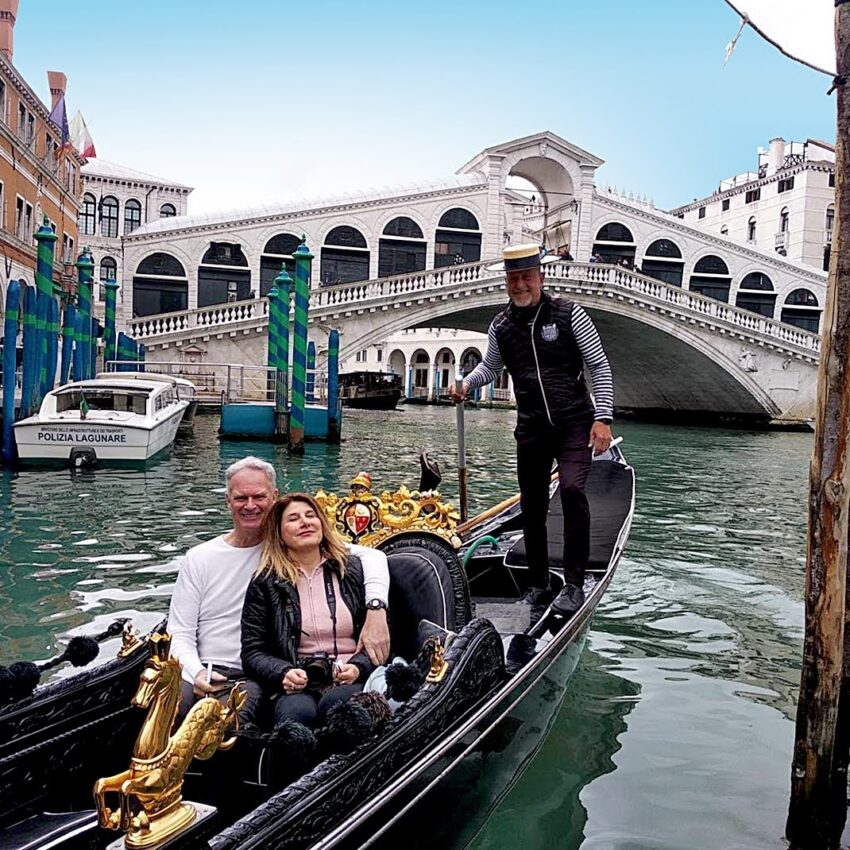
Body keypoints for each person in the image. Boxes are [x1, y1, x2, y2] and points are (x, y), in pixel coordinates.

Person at [450, 243, 614, 621]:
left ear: (541, 277)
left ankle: (572, 584)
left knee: (572, 490)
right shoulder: (501, 326)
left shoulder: (570, 315)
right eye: (512, 279)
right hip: (532, 427)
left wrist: (602, 418)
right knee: (533, 504)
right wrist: (467, 384)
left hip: (574, 421)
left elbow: (599, 366)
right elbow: (490, 369)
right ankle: (539, 583)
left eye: (526, 277)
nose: (519, 284)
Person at [167, 457, 391, 719]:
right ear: (228, 500)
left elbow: (374, 557)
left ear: (274, 497)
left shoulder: (295, 544)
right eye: (241, 498)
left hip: (260, 673)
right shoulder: (199, 557)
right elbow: (179, 633)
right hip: (208, 667)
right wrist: (197, 671)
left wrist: (376, 610)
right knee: (168, 714)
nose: (250, 506)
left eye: (259, 497)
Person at [240, 493, 375, 728]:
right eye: (293, 518)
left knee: (336, 706)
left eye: (310, 515)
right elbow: (252, 652)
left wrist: (358, 666)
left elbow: (381, 636)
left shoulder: (351, 569)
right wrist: (283, 672)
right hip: (299, 681)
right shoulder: (265, 582)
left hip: (352, 675)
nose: (304, 522)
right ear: (279, 535)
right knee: (295, 718)